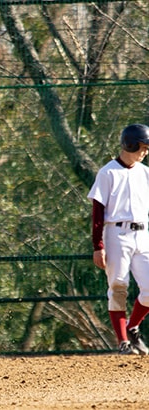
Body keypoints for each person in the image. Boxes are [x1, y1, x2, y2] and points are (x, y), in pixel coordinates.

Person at [87, 123, 149, 355]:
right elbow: (97, 212)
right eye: (143, 147)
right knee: (118, 286)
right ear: (130, 144)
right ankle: (123, 341)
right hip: (117, 233)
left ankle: (133, 327)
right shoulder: (108, 172)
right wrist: (98, 246)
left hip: (143, 233)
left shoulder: (145, 173)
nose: (145, 152)